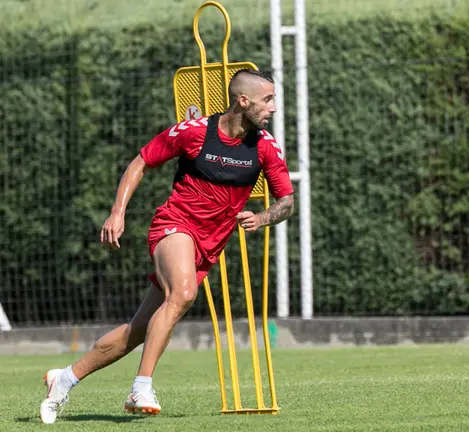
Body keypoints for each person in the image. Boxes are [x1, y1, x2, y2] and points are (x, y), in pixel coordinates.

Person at [39, 69, 295, 424]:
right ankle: (140, 387)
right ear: (243, 101)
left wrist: (263, 217)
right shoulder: (194, 132)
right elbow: (142, 161)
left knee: (137, 331)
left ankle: (63, 378)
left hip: (209, 245)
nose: (274, 108)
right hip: (174, 225)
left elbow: (286, 201)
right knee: (184, 293)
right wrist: (117, 213)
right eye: (268, 99)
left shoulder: (265, 146)